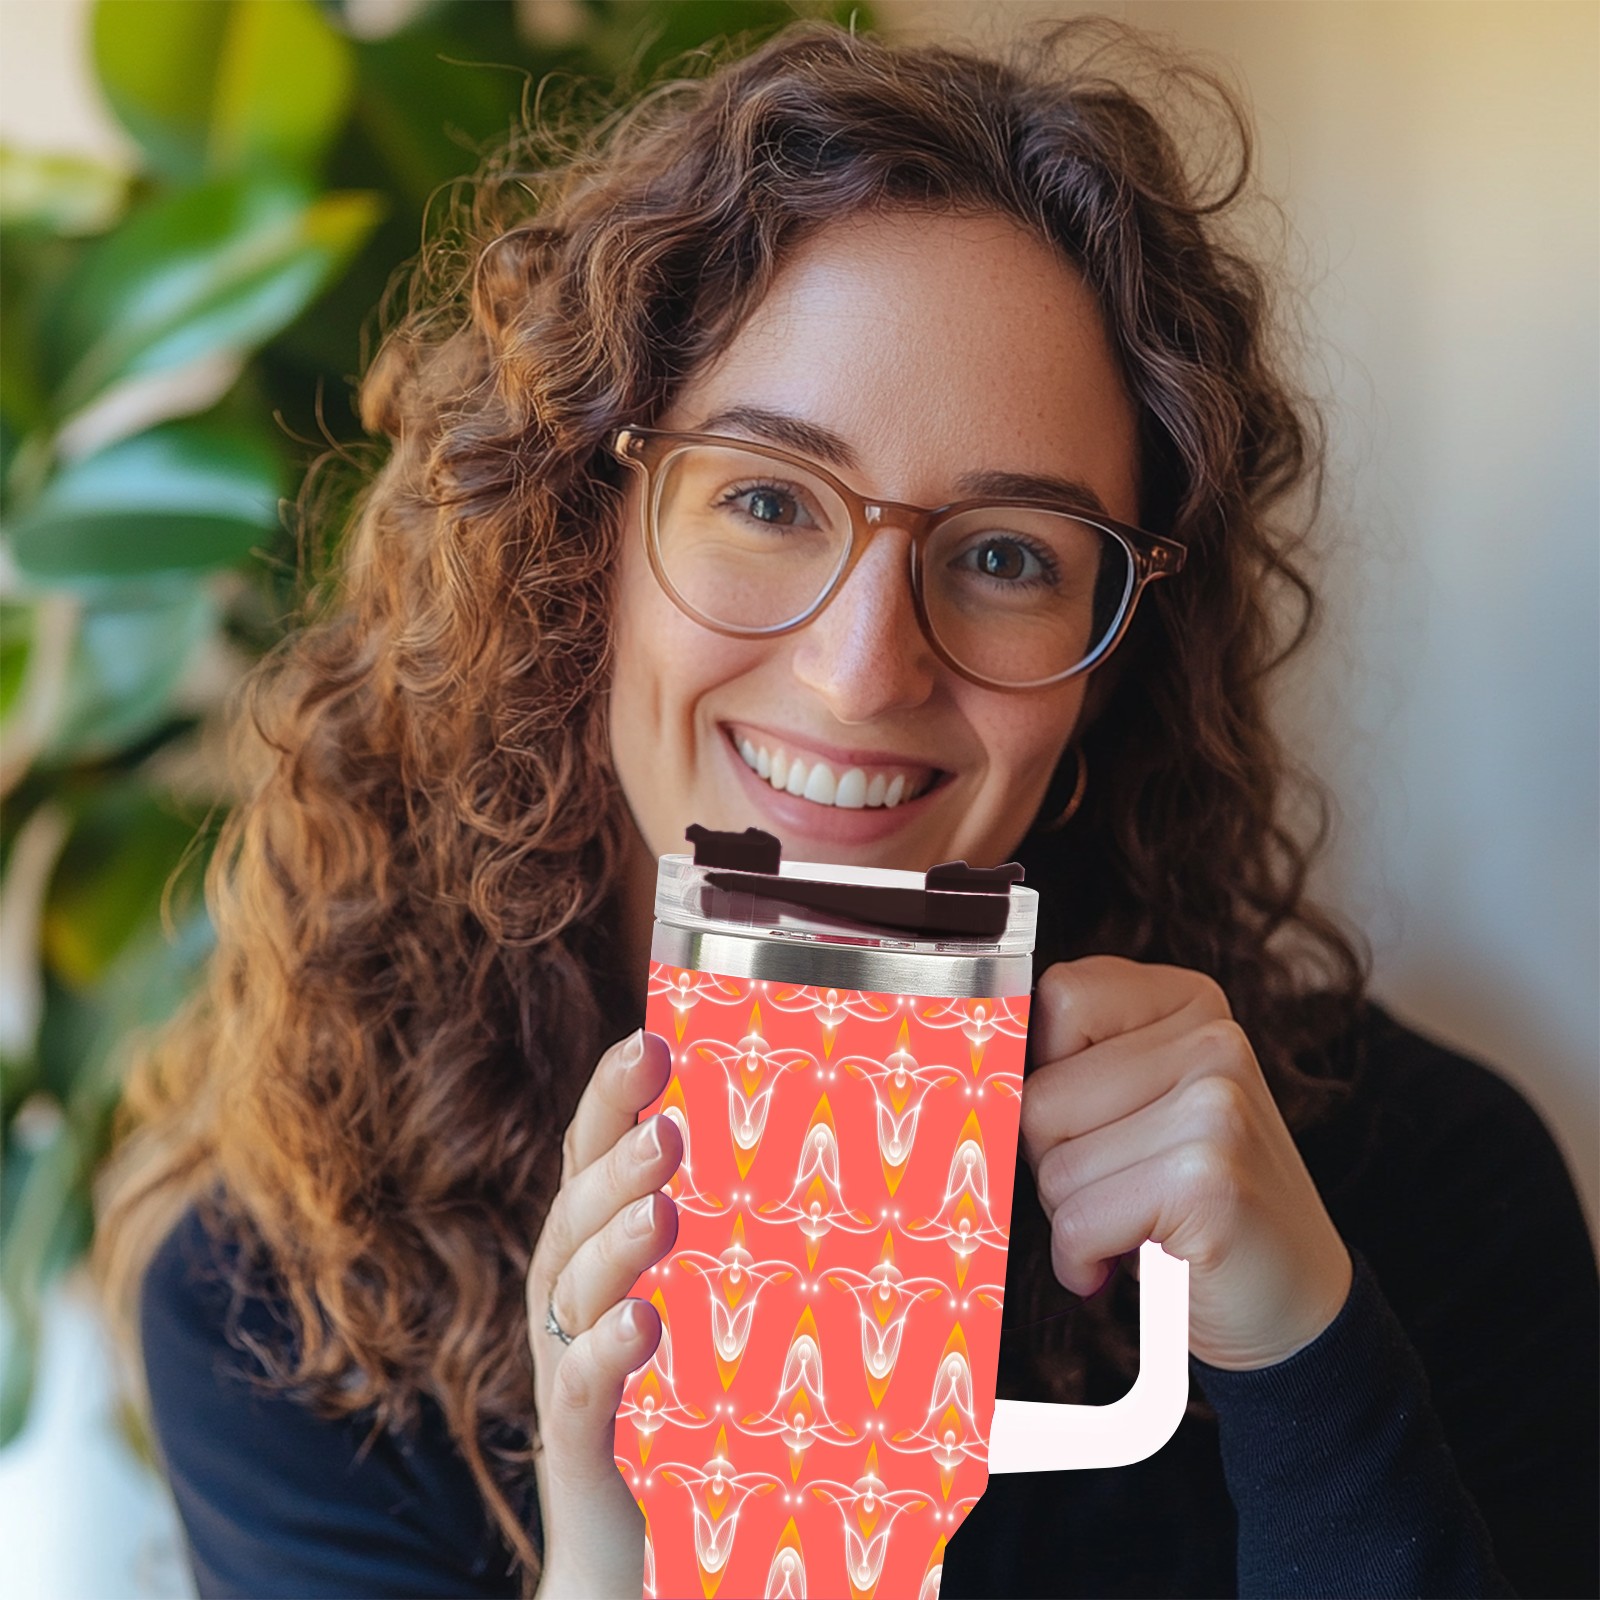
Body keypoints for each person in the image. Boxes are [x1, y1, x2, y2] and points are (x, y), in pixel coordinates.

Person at [95, 17, 1597, 1600]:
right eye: (765, 499)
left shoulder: (1421, 1193)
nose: (864, 671)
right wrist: (619, 1558)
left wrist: (1306, 1367)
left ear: (1112, 663)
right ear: (580, 548)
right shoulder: (290, 1302)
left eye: (1007, 554)